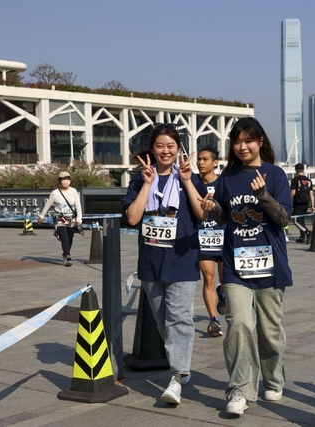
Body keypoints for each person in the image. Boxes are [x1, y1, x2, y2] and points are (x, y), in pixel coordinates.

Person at [201, 117, 293, 416]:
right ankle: (240, 390)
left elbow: (284, 219)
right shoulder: (227, 177)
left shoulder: (275, 175)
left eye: (248, 141)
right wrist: (212, 208)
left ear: (260, 142)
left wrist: (263, 195)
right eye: (237, 141)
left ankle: (273, 378)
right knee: (239, 325)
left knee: (270, 332)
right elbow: (223, 218)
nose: (242, 147)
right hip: (236, 266)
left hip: (271, 266)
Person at [122, 123, 207, 405]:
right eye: (160, 145)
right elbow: (133, 218)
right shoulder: (140, 179)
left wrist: (187, 181)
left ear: (178, 148)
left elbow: (202, 214)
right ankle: (181, 367)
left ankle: (176, 377)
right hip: (151, 261)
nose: (165, 151)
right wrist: (147, 184)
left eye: (171, 146)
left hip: (182, 259)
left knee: (179, 318)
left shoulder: (189, 177)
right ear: (152, 148)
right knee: (163, 321)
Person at [196, 146, 226, 337]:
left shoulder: (224, 183)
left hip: (224, 238)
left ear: (215, 163)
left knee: (225, 280)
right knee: (208, 277)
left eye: (205, 159)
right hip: (203, 238)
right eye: (199, 159)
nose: (200, 162)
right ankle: (214, 320)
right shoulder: (193, 183)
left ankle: (222, 293)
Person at [37, 171, 83, 266]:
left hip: (71, 219)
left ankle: (65, 253)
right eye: (64, 179)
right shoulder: (55, 193)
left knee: (70, 239)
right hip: (60, 219)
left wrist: (79, 219)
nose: (66, 181)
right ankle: (68, 256)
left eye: (68, 179)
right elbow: (47, 205)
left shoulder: (73, 191)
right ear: (59, 180)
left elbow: (78, 206)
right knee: (64, 238)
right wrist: (41, 216)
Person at [290, 163, 314, 243]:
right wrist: (312, 206)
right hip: (306, 203)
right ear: (303, 170)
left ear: (296, 170)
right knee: (301, 220)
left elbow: (293, 193)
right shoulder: (308, 180)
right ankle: (302, 237)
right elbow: (311, 194)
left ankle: (307, 232)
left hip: (298, 203)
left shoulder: (295, 180)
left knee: (296, 221)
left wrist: (288, 200)